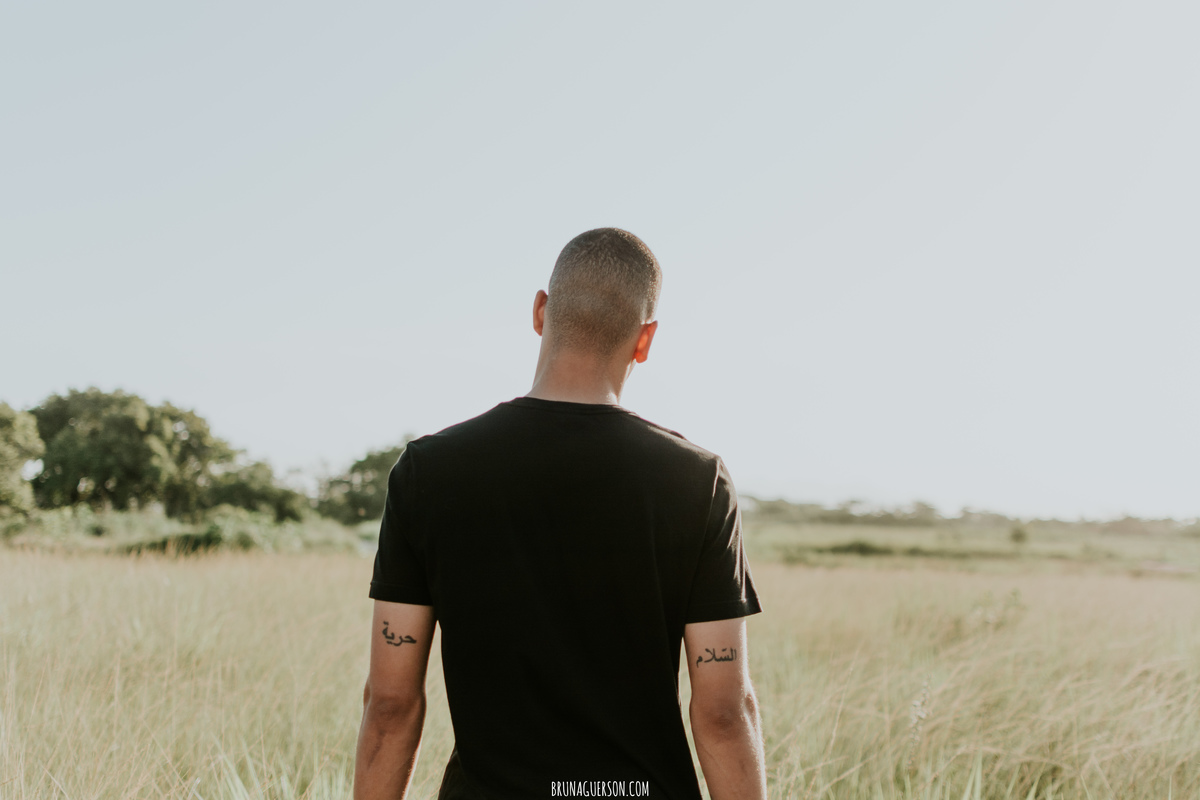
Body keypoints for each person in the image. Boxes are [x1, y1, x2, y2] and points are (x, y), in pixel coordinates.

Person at [353, 228, 766, 800]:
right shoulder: (696, 480)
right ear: (645, 339)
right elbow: (723, 712)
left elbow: (390, 704)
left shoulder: (429, 471)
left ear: (540, 311)